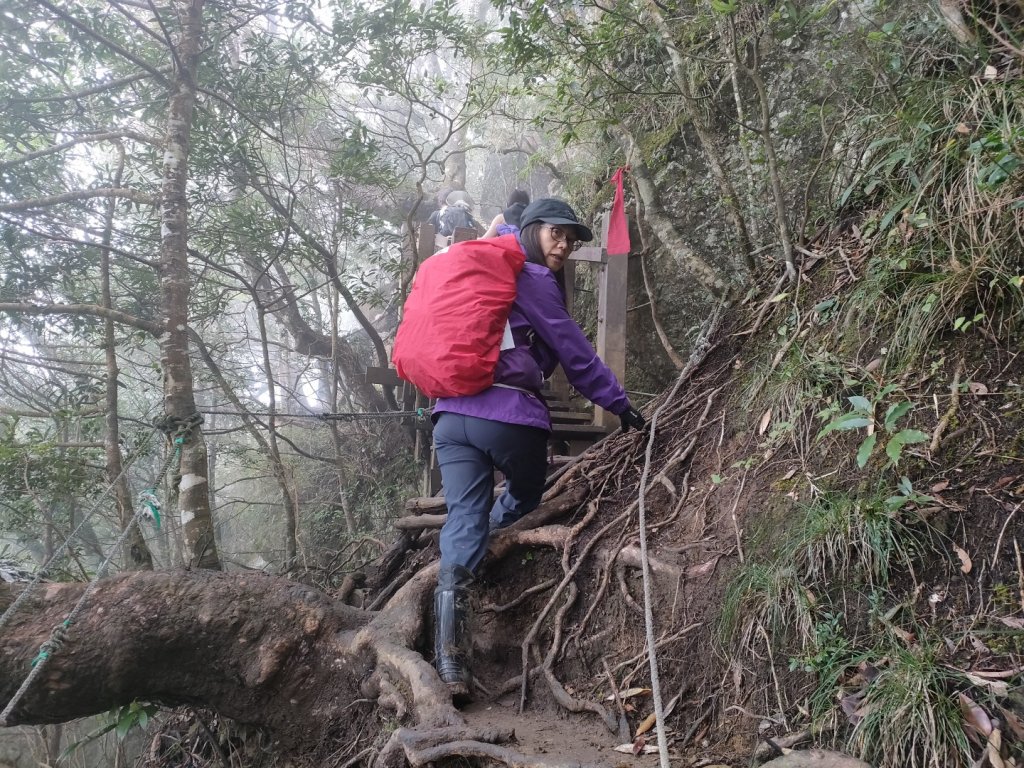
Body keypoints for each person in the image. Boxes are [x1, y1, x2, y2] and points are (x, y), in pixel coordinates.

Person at [429, 198, 646, 698]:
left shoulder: (476, 269)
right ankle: (493, 543)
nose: (566, 245)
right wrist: (619, 405)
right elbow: (573, 350)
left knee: (464, 517)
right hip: (508, 417)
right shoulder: (531, 277)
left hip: (448, 415)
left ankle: (450, 660)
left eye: (571, 239)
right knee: (528, 491)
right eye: (556, 233)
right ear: (529, 230)